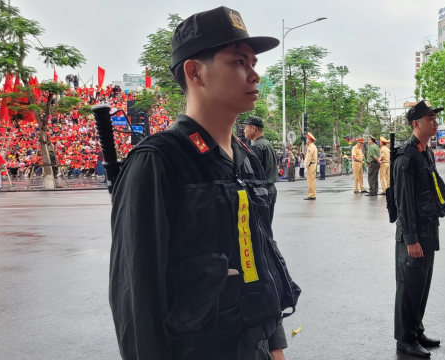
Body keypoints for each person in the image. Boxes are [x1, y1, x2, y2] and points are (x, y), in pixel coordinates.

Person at [108, 7, 300, 360]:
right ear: (195, 72)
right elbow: (137, 300)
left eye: (254, 63)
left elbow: (257, 257)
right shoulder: (159, 161)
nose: (254, 75)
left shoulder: (248, 159)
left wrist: (275, 346)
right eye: (239, 62)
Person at [392, 100, 445, 358]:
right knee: (409, 284)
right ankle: (405, 338)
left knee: (422, 283)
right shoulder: (406, 155)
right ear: (416, 124)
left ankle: (416, 329)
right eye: (430, 118)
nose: (435, 122)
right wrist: (411, 239)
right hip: (413, 234)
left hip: (428, 228)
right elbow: (403, 202)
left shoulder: (424, 152)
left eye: (435, 118)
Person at [244, 116, 279, 221]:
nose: (244, 130)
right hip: (271, 189)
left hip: (262, 191)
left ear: (253, 129)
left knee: (260, 225)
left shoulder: (257, 147)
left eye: (246, 127)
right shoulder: (268, 144)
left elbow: (253, 172)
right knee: (267, 225)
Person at [304, 132, 317, 200]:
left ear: (309, 139)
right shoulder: (313, 146)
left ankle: (311, 195)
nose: (306, 140)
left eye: (307, 139)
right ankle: (313, 194)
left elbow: (308, 157)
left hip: (310, 165)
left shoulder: (310, 147)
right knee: (313, 180)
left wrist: (305, 165)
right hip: (313, 164)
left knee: (310, 181)